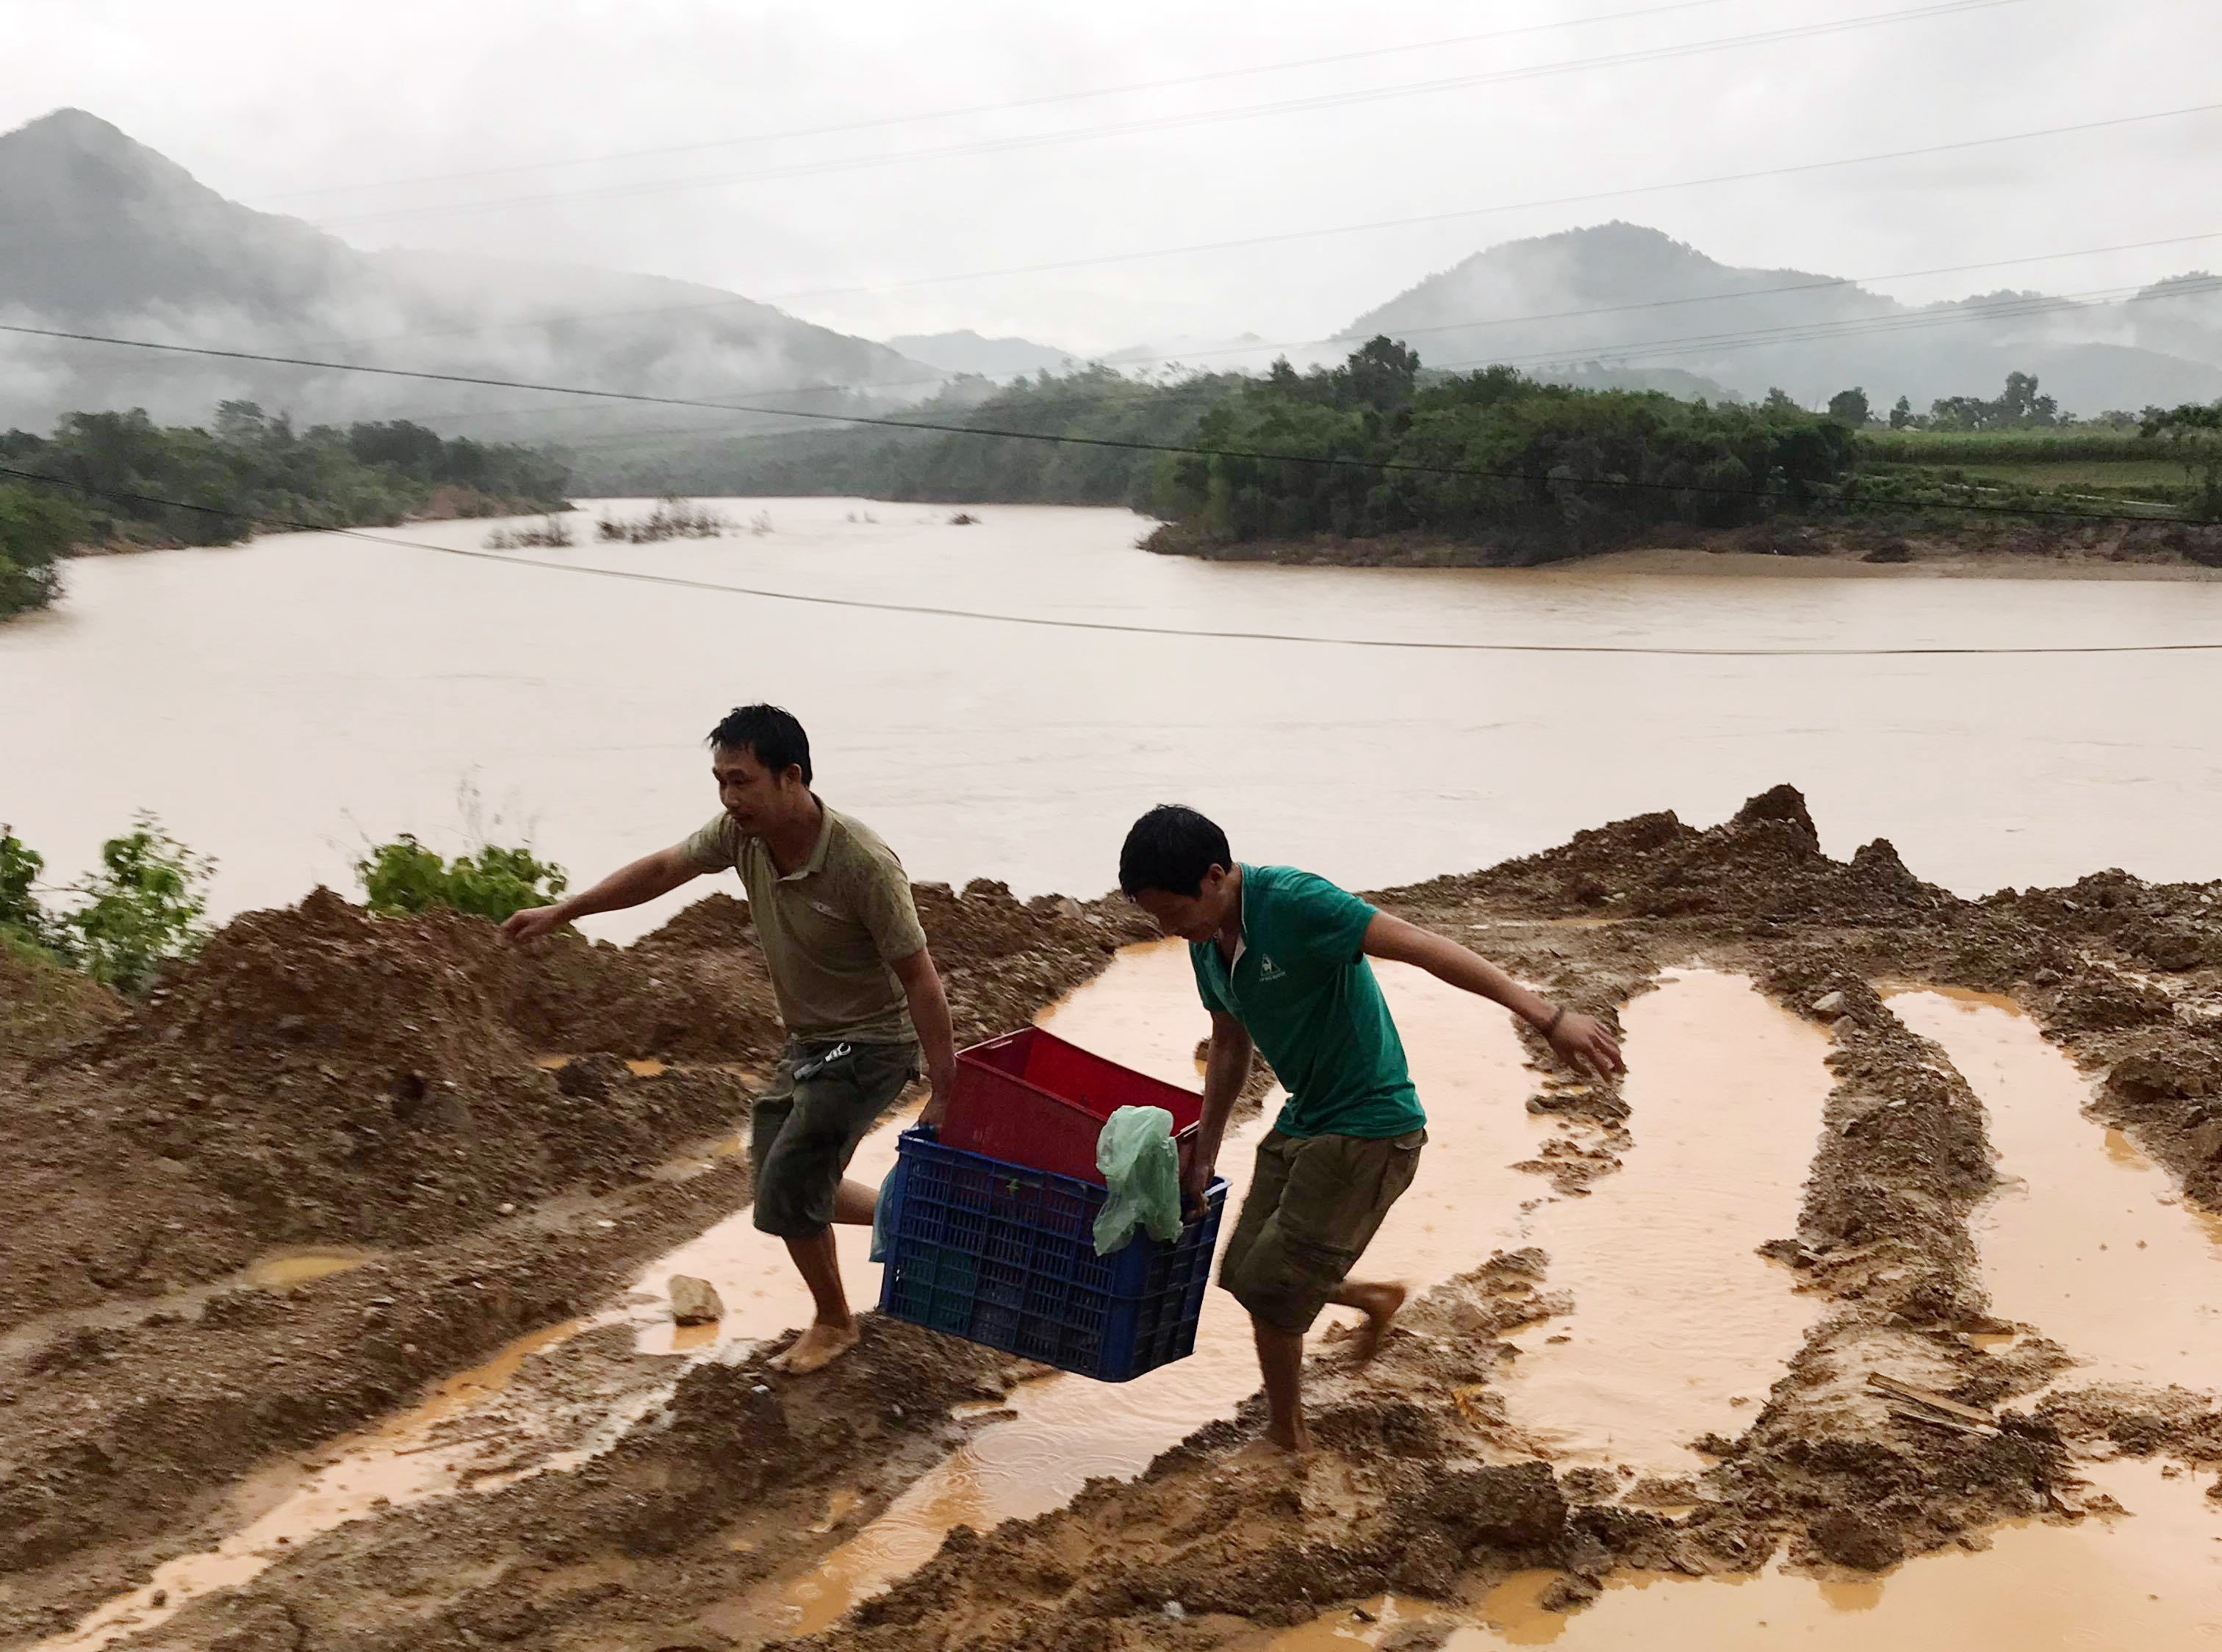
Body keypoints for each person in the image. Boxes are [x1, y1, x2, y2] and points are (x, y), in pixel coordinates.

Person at [1118, 805, 1624, 1454]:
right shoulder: (1207, 940)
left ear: (1215, 877)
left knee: (1273, 1297)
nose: (1167, 929)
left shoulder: (1297, 903)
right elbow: (1228, 1043)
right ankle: (1372, 1298)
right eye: (1154, 918)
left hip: (1370, 1124)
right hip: (1307, 1113)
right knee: (1243, 1271)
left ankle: (1287, 1437)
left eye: (1172, 913)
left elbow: (1424, 948)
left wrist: (1547, 1018)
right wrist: (1203, 1150)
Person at [504, 704, 957, 1374]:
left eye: (741, 781)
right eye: (720, 781)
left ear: (791, 777)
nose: (728, 798)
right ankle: (923, 1219)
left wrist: (946, 1087)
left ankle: (835, 1322)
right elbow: (662, 869)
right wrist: (565, 910)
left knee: (787, 1188)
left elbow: (921, 979)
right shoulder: (740, 836)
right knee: (797, 1187)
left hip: (870, 1044)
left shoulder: (862, 863)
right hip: (809, 1042)